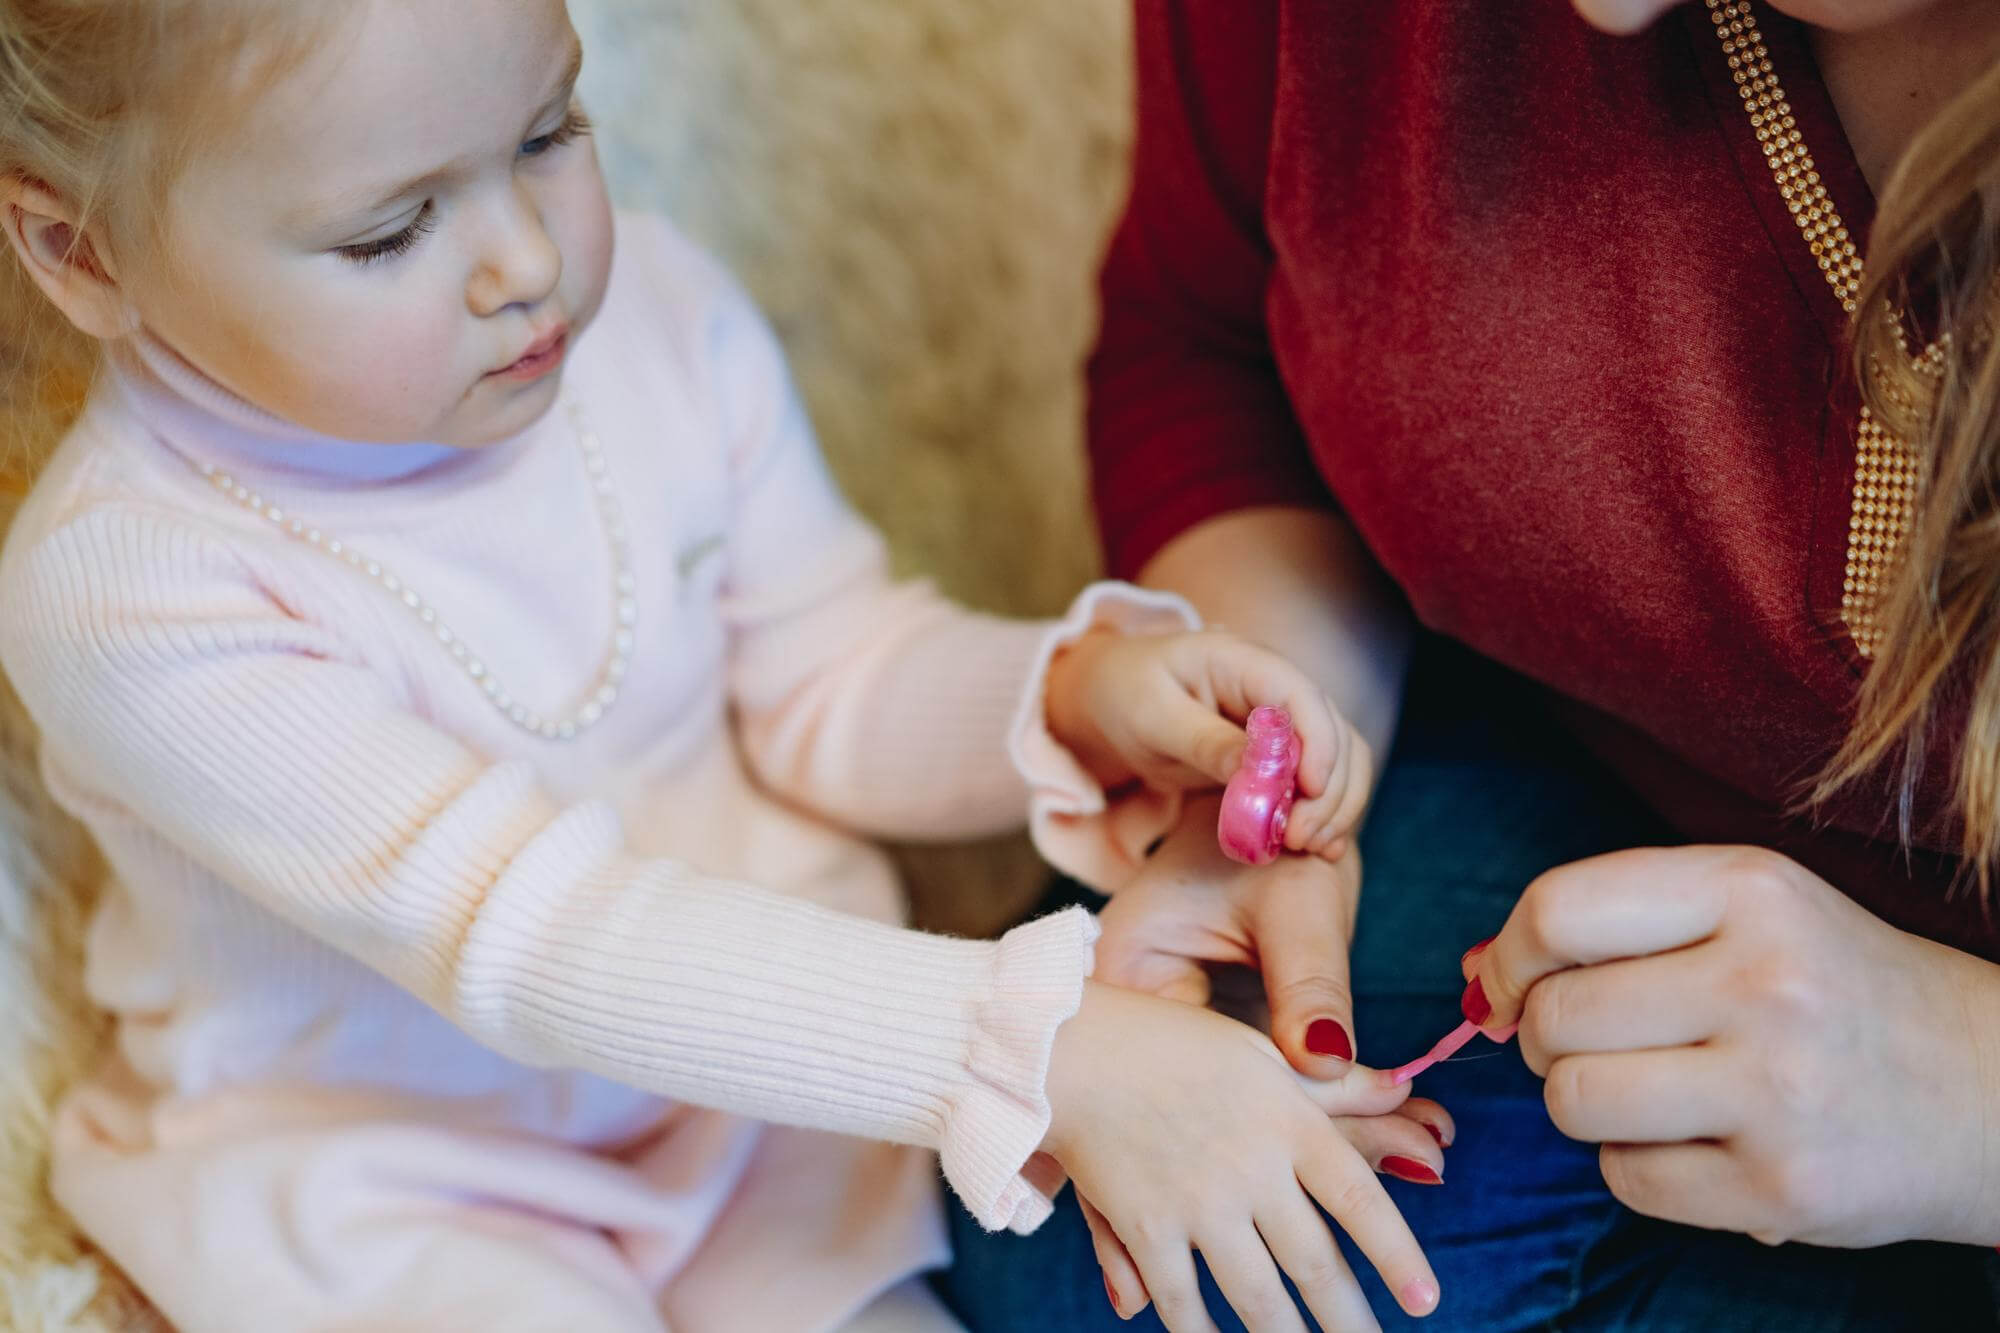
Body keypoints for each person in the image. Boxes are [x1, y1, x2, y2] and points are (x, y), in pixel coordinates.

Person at [0, 1, 1450, 1329]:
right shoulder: (128, 585)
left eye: (547, 133)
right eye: (390, 232)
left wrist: (1068, 696)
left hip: (761, 1097)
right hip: (390, 1168)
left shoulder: (657, 319)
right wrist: (1036, 1049)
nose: (525, 261)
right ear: (82, 253)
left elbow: (829, 672)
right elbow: (528, 931)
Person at [940, 0, 2000, 1328]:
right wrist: (1271, 744)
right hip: (1569, 763)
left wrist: (1969, 1093)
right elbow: (1212, 337)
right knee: (1080, 1240)